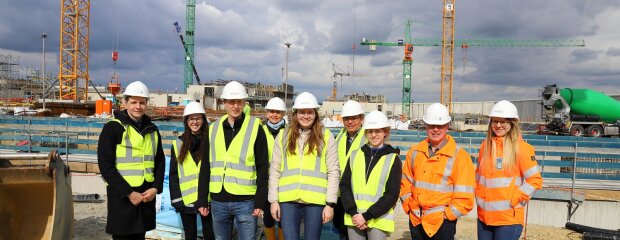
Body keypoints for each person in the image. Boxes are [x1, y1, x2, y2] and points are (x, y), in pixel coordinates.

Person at [97, 81, 165, 239]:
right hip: (122, 198)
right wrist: (129, 193)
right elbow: (106, 166)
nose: (138, 106)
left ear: (147, 104)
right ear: (125, 103)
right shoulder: (113, 128)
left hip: (145, 196)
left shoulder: (153, 130)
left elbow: (160, 162)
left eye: (142, 102)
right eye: (133, 102)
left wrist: (155, 188)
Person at [268, 92, 340, 240]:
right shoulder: (283, 136)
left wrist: (330, 204)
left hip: (315, 201)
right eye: (302, 112)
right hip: (288, 200)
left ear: (315, 114)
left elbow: (333, 172)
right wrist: (273, 201)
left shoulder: (326, 137)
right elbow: (275, 170)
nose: (305, 116)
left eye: (309, 112)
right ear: (295, 114)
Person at [400, 103, 475, 240]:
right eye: (431, 125)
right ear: (426, 126)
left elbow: (465, 195)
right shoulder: (415, 152)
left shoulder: (460, 156)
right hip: (417, 220)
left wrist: (448, 216)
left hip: (442, 224)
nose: (435, 129)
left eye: (440, 126)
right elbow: (405, 183)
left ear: (447, 126)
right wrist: (409, 207)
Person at [205, 81, 269, 240]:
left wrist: (260, 201)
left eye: (239, 102)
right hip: (218, 199)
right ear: (224, 103)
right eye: (231, 102)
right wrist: (202, 199)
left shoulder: (255, 127)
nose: (235, 106)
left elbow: (262, 167)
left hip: (246, 201)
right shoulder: (213, 129)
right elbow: (206, 167)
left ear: (244, 103)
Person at [475, 100, 543, 240]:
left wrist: (514, 199)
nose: (498, 125)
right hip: (484, 217)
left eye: (504, 122)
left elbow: (535, 180)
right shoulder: (485, 146)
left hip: (508, 219)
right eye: (495, 121)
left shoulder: (522, 148)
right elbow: (478, 176)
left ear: (512, 123)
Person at [340, 111, 402, 240]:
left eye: (377, 131)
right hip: (354, 218)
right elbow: (345, 185)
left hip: (379, 218)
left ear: (385, 132)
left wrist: (366, 216)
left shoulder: (393, 159)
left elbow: (392, 194)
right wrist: (353, 213)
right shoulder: (355, 155)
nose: (373, 135)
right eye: (370, 131)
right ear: (365, 133)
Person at [169, 102, 215, 240]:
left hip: (207, 199)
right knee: (190, 236)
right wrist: (177, 200)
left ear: (203, 120)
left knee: (210, 235)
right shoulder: (178, 144)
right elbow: (173, 175)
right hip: (186, 200)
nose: (195, 122)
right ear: (186, 121)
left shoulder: (211, 142)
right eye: (191, 119)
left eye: (198, 118)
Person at [334, 100, 367, 240]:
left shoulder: (368, 137)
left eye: (354, 118)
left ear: (362, 119)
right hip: (341, 196)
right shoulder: (340, 137)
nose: (350, 122)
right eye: (347, 118)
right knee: (342, 232)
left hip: (359, 198)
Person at [260, 97, 287, 240]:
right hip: (266, 182)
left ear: (283, 114)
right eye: (271, 112)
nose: (274, 115)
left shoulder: (290, 132)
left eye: (278, 112)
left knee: (284, 218)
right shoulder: (260, 131)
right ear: (267, 113)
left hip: (284, 181)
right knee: (268, 217)